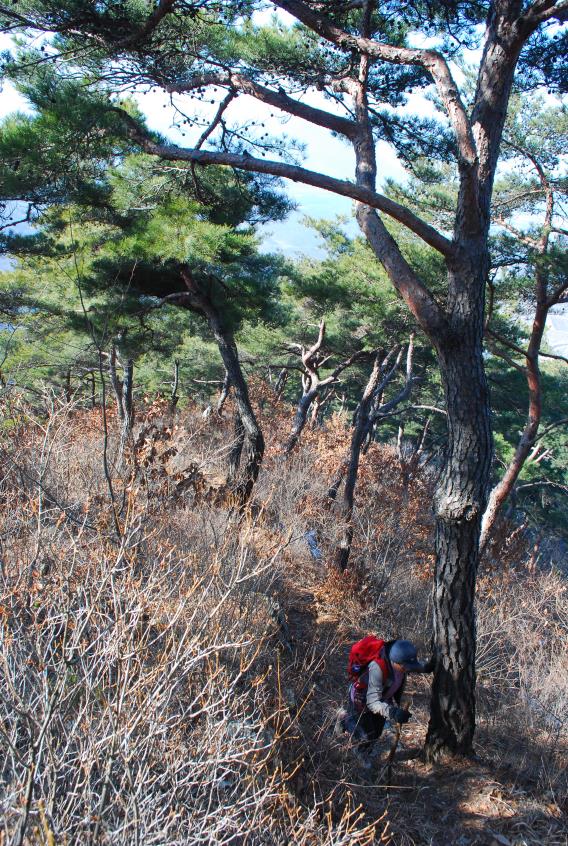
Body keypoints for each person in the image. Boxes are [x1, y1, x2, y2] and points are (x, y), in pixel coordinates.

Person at [338, 637, 433, 768]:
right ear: (396, 662)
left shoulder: (400, 663)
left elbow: (413, 665)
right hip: (363, 699)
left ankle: (362, 743)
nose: (407, 670)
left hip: (382, 698)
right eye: (405, 667)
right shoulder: (378, 668)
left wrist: (427, 667)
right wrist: (393, 712)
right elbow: (372, 703)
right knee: (366, 735)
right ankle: (358, 749)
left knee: (376, 732)